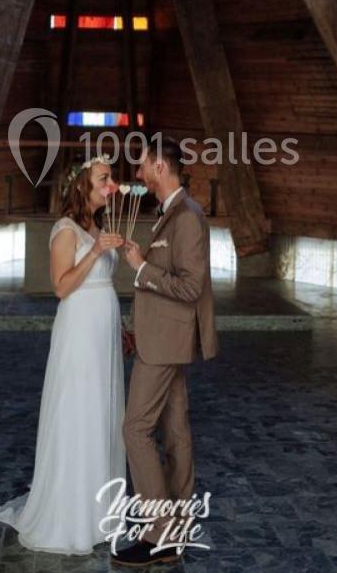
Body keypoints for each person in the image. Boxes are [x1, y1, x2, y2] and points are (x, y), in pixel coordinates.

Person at [0, 157, 127, 554]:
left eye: (111, 179)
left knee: (102, 411)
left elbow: (101, 282)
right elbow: (62, 288)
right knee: (78, 410)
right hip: (79, 331)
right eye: (104, 179)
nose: (111, 185)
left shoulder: (98, 227)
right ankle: (71, 512)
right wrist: (96, 250)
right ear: (83, 186)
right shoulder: (66, 231)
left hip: (103, 331)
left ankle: (101, 509)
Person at [112, 136, 218, 567]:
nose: (137, 174)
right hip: (163, 339)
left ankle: (158, 533)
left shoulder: (187, 217)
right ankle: (175, 530)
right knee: (174, 433)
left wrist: (140, 267)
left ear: (159, 166)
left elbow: (190, 287)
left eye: (141, 166)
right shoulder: (172, 214)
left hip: (165, 345)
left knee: (135, 429)